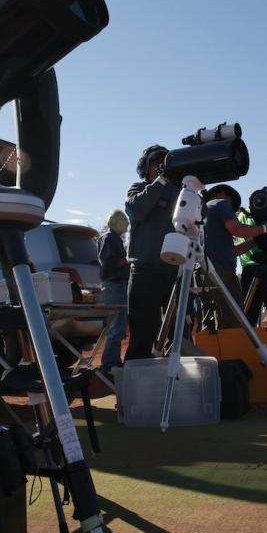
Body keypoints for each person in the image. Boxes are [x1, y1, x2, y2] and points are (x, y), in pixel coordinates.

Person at [125, 145, 179, 360]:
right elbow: (137, 209)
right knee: (143, 331)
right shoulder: (137, 188)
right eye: (156, 163)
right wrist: (162, 180)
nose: (161, 167)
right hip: (145, 270)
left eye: (165, 162)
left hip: (174, 270)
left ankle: (180, 381)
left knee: (179, 332)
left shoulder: (178, 191)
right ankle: (137, 386)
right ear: (145, 168)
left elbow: (199, 214)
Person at [203, 184, 267, 329]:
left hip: (206, 272)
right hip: (222, 273)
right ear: (225, 195)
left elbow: (233, 251)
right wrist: (264, 228)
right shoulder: (221, 203)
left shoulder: (204, 211)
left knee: (213, 321)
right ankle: (233, 351)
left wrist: (256, 238)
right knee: (234, 319)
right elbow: (237, 230)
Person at [237, 205, 267, 327]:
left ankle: (248, 344)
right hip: (258, 267)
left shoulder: (243, 214)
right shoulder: (253, 214)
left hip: (251, 267)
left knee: (249, 317)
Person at [96, 209, 130, 374]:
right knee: (116, 326)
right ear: (117, 221)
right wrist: (125, 260)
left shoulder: (113, 238)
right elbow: (107, 262)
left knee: (119, 325)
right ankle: (109, 363)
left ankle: (113, 361)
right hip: (114, 285)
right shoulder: (109, 237)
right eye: (124, 220)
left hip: (117, 285)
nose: (127, 224)